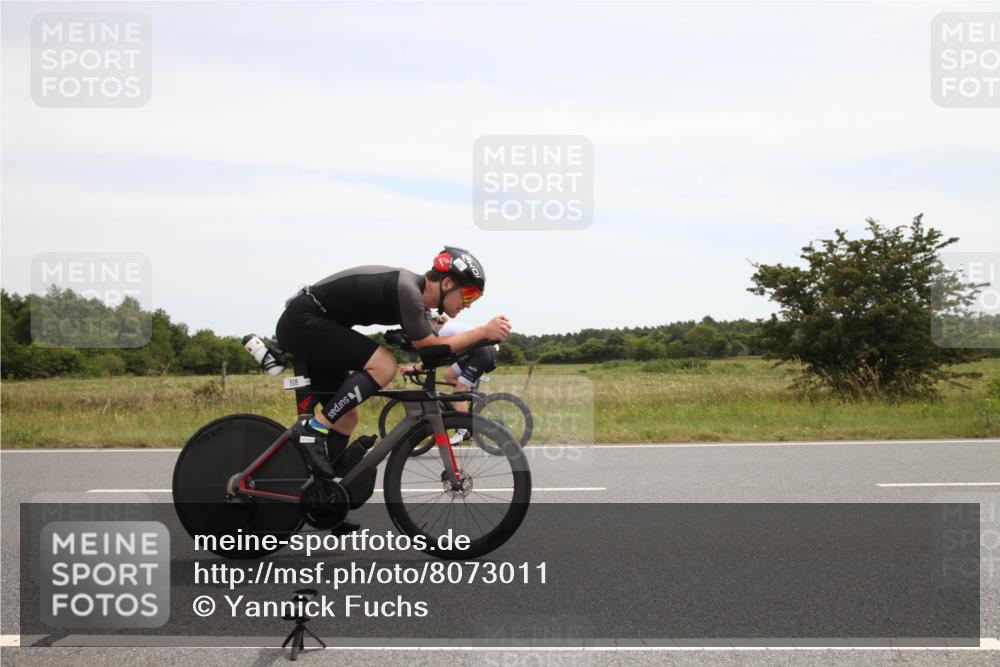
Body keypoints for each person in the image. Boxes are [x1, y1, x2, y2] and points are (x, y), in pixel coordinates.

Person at [274, 247, 511, 493]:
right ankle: (313, 430)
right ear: (447, 282)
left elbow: (437, 351)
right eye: (469, 294)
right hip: (303, 321)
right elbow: (429, 348)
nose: (469, 305)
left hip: (318, 325)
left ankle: (322, 494)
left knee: (348, 416)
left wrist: (482, 341)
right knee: (384, 365)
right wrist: (482, 331)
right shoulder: (408, 289)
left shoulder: (419, 304)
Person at [410, 314, 497, 444]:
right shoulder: (443, 330)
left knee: (458, 391)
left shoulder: (444, 331)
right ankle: (468, 390)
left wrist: (415, 368)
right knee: (449, 375)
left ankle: (463, 432)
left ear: (434, 321)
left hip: (480, 355)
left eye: (425, 323)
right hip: (473, 355)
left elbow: (438, 358)